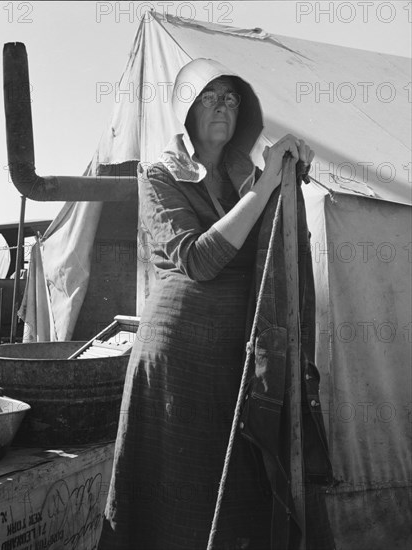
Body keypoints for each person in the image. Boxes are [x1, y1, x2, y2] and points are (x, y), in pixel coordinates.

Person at [98, 58, 334, 550]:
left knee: (234, 489)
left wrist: (287, 178)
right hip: (178, 359)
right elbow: (200, 260)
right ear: (186, 110)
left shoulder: (245, 174)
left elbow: (272, 243)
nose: (222, 106)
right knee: (177, 489)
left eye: (231, 97)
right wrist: (268, 184)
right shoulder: (159, 173)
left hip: (236, 356)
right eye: (210, 97)